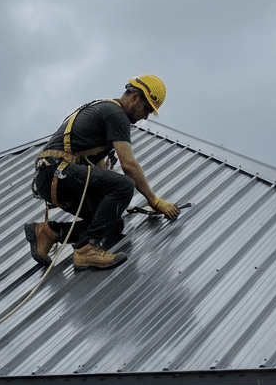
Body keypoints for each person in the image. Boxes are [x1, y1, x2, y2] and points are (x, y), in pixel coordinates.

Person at [24, 74, 180, 271]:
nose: (146, 116)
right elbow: (129, 165)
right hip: (57, 172)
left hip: (54, 176)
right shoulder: (116, 114)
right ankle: (86, 249)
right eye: (147, 108)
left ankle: (49, 232)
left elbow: (97, 170)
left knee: (112, 223)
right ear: (135, 98)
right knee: (125, 185)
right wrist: (154, 200)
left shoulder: (105, 110)